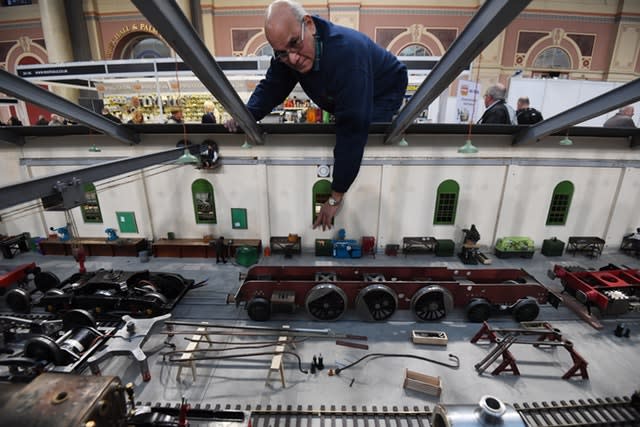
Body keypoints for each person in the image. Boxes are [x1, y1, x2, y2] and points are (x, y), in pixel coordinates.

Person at [224, 0, 408, 231]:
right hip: (344, 90)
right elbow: (273, 86)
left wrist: (335, 197)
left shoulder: (347, 55)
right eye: (282, 53)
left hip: (382, 93)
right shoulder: (291, 51)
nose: (292, 58)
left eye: (294, 44)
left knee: (366, 143)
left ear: (309, 24)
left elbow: (352, 129)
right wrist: (246, 115)